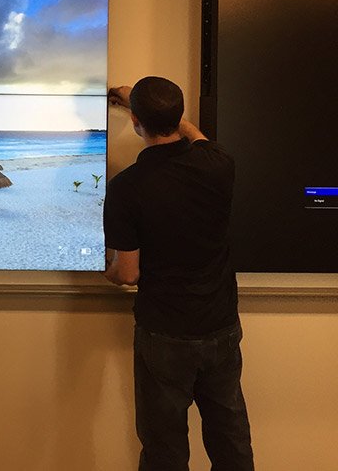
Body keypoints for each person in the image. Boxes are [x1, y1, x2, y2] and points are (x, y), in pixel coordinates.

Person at [104, 76, 254, 471]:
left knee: (164, 449)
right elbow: (196, 136)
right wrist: (148, 105)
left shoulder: (126, 189)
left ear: (135, 121)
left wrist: (108, 272)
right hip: (220, 326)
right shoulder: (218, 163)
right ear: (180, 115)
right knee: (231, 439)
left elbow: (128, 274)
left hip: (164, 334)